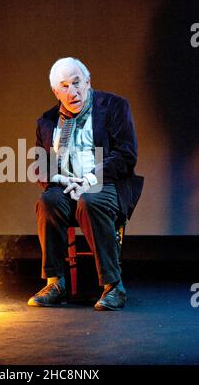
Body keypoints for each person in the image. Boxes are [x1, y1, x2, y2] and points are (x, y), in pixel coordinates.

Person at [28, 57, 143, 310]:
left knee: (88, 200)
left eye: (77, 83)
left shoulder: (114, 106)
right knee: (49, 201)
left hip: (104, 183)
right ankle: (55, 283)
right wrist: (60, 178)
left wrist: (90, 178)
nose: (73, 92)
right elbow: (40, 164)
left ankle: (114, 287)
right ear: (56, 92)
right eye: (65, 86)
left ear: (88, 82)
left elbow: (126, 155)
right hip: (68, 186)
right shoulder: (47, 121)